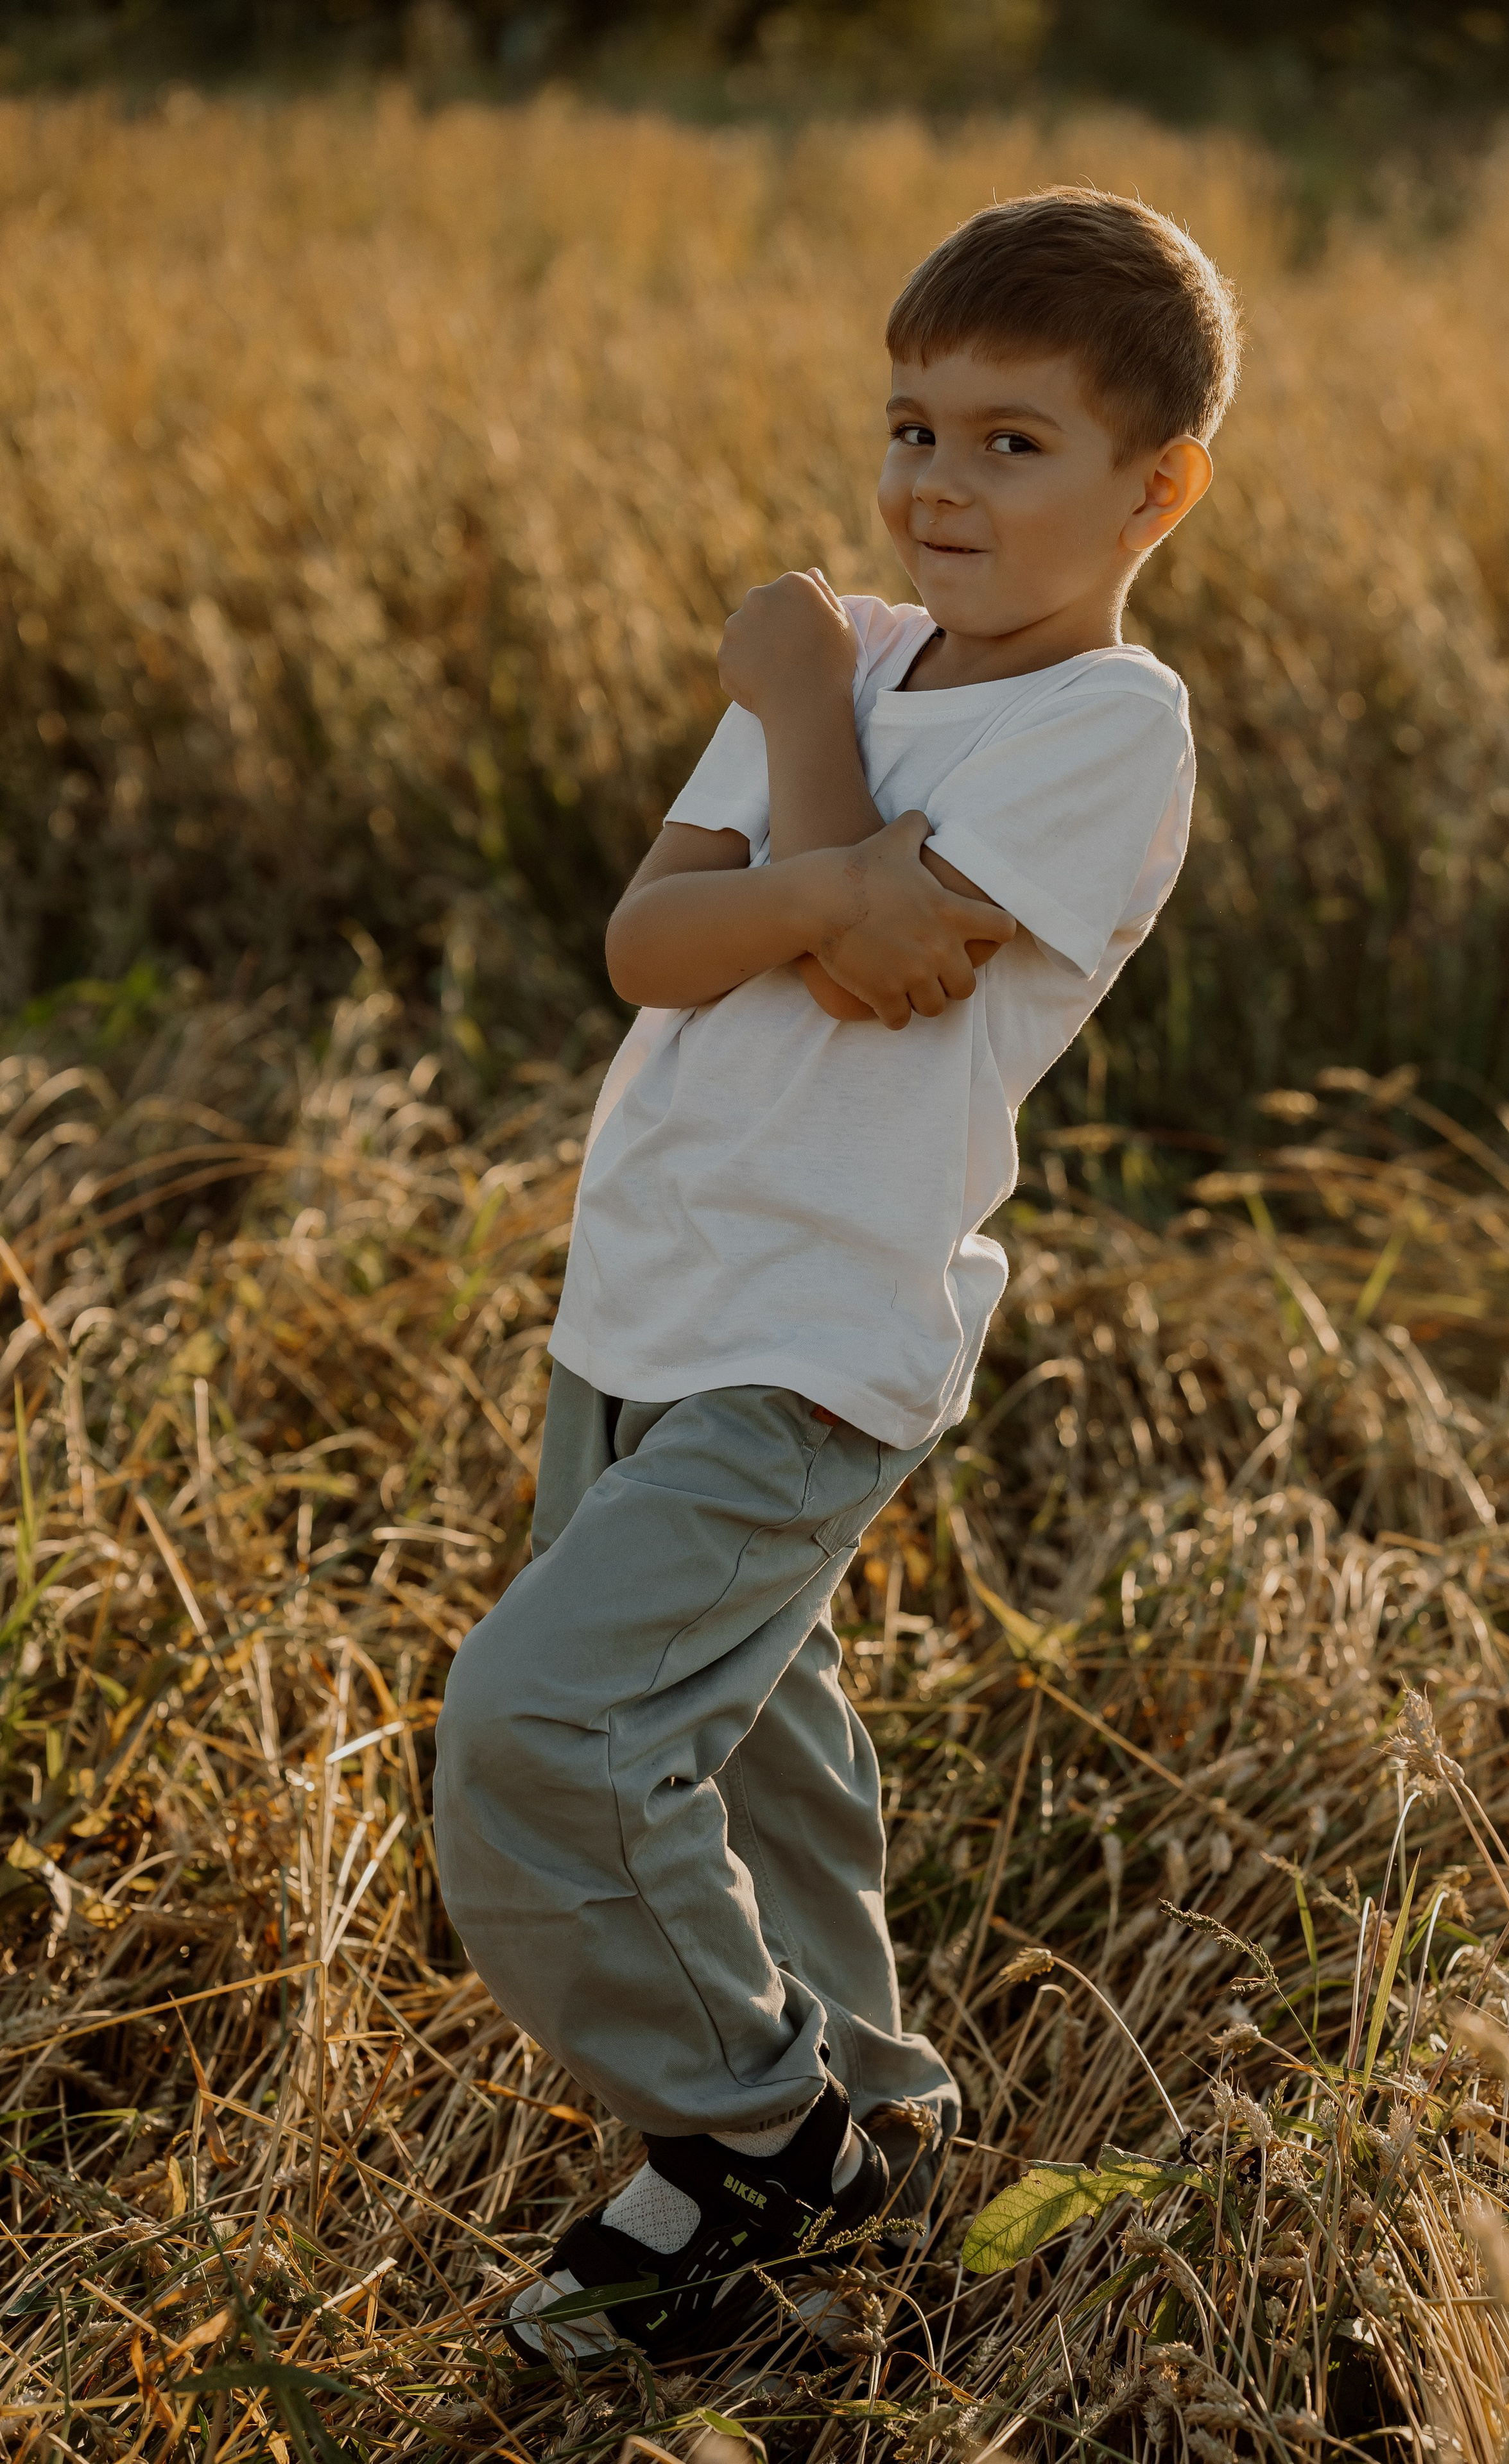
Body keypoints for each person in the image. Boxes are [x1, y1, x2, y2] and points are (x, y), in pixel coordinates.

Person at [434, 184, 1239, 2368]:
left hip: (810, 1331)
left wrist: (800, 715)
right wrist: (831, 823)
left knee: (542, 1738)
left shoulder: (1105, 724)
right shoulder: (868, 660)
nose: (932, 481)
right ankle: (872, 2135)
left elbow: (875, 966)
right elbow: (654, 944)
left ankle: (761, 2139)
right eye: (911, 423)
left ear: (1155, 487)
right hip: (642, 1301)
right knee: (763, 1748)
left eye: (1010, 442)